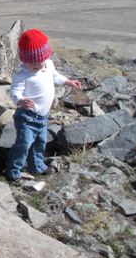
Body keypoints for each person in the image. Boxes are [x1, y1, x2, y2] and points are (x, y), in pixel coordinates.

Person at [5, 28, 83, 182]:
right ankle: (13, 171)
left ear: (45, 56)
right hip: (27, 117)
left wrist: (67, 81)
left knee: (40, 143)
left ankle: (37, 167)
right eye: (30, 62)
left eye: (38, 61)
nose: (35, 65)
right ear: (24, 59)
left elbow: (55, 76)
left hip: (42, 117)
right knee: (24, 144)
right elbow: (14, 91)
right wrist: (19, 100)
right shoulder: (23, 74)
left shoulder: (48, 65)